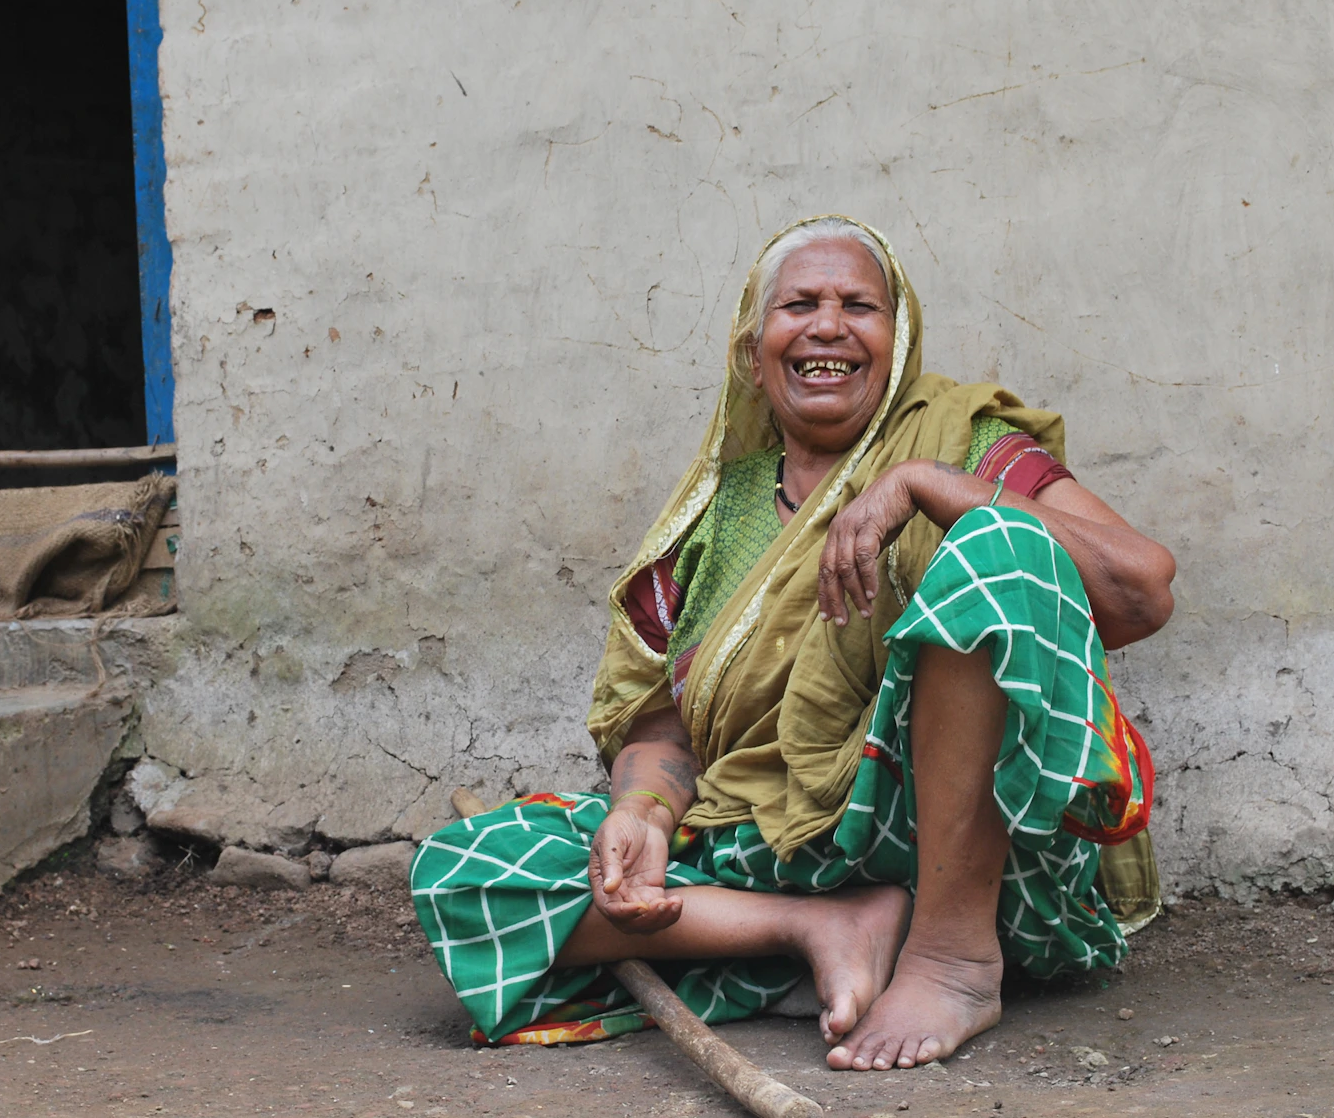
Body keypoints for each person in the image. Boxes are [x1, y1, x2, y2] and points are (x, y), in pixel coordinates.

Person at [412, 216, 1175, 1071]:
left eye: (860, 305)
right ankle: (820, 932)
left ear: (900, 337)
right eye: (799, 304)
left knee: (1004, 550)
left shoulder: (963, 446)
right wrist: (643, 811)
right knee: (461, 870)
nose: (827, 326)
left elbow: (1142, 587)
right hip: (768, 853)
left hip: (956, 848)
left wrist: (925, 488)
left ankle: (950, 960)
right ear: (753, 350)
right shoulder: (713, 515)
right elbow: (663, 725)